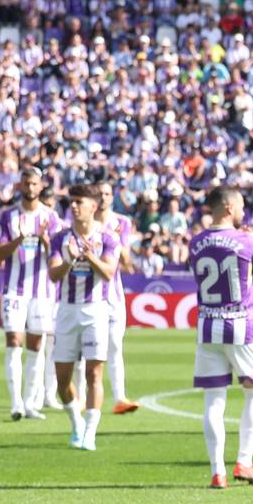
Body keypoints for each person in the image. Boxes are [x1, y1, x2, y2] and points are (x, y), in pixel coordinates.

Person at [187, 186, 253, 489]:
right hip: (241, 324)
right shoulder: (248, 240)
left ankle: (217, 471)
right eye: (240, 207)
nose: (243, 212)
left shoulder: (195, 242)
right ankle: (244, 461)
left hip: (208, 324)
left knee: (214, 398)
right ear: (228, 207)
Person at [47, 184, 120, 451]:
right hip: (67, 310)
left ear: (93, 206)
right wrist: (69, 259)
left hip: (96, 310)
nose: (74, 206)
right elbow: (53, 275)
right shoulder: (59, 238)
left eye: (79, 202)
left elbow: (109, 273)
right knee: (62, 379)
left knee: (94, 373)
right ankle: (76, 423)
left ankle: (90, 432)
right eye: (72, 202)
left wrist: (88, 256)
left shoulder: (108, 238)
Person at [0, 166, 59, 420]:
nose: (30, 188)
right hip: (14, 290)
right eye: (26, 183)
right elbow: (0, 253)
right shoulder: (8, 216)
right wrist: (19, 240)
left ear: (40, 186)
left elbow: (59, 256)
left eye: (34, 184)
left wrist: (45, 240)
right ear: (20, 185)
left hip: (41, 292)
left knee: (36, 345)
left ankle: (31, 403)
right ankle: (16, 404)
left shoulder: (51, 218)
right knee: (13, 342)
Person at [95, 180, 141, 415]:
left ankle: (119, 397)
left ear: (112, 197)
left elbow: (126, 261)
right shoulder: (86, 223)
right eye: (99, 194)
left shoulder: (122, 222)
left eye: (106, 194)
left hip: (113, 295)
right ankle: (83, 396)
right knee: (88, 349)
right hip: (90, 295)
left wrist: (113, 238)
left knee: (114, 346)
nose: (103, 198)